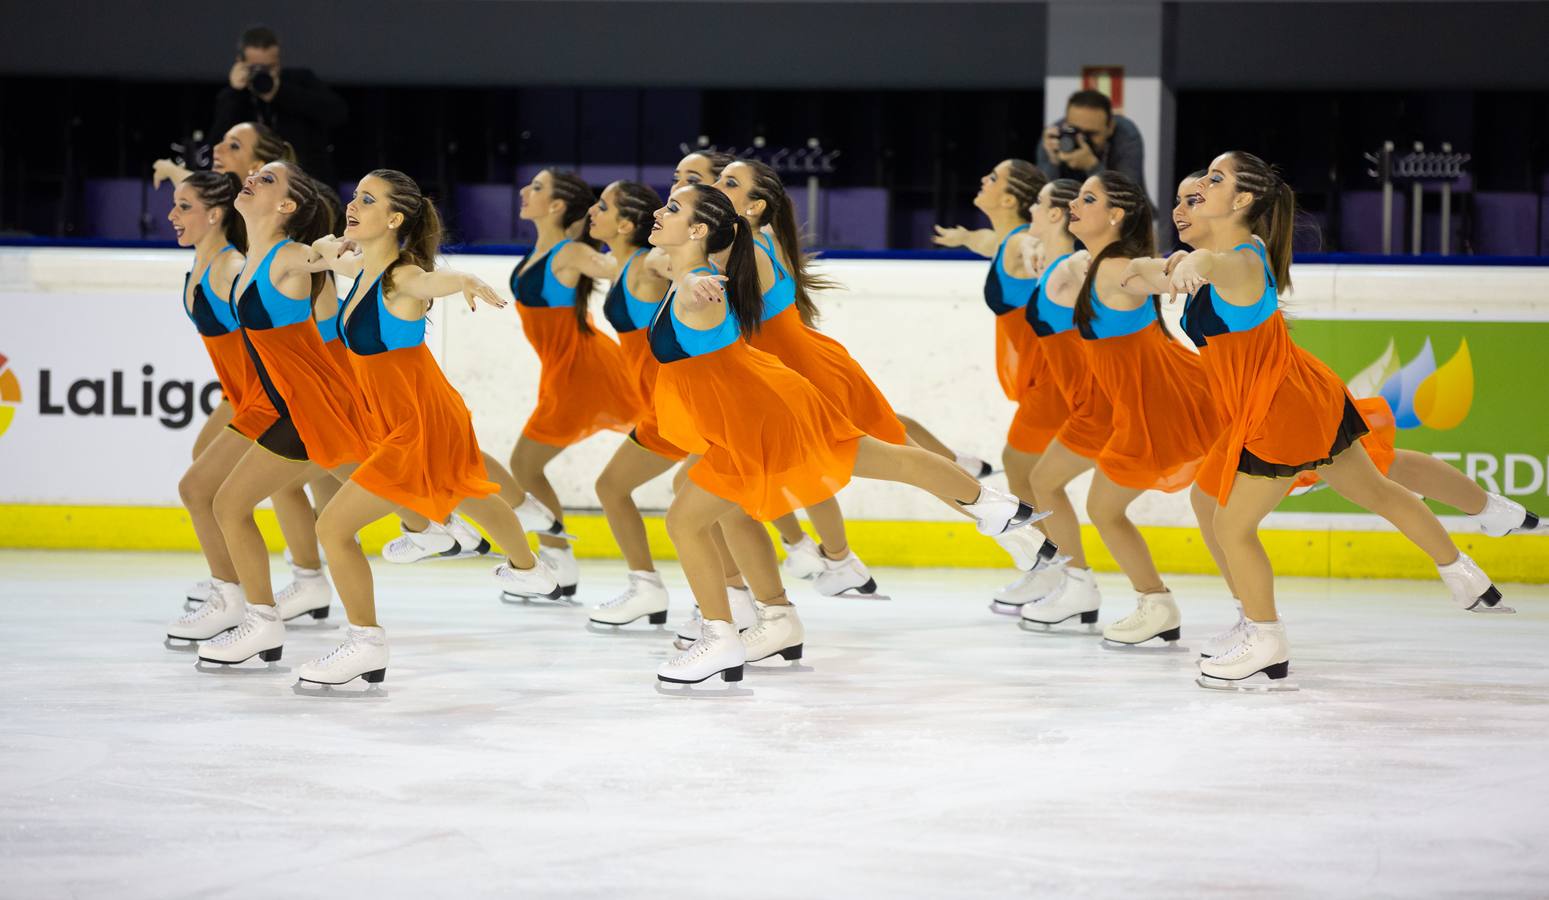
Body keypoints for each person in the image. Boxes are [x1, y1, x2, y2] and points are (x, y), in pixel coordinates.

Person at [647, 183, 1051, 686]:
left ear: (700, 230)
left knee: (687, 521)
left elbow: (700, 286)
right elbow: (684, 273)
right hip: (764, 410)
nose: (659, 212)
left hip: (759, 421)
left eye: (672, 208)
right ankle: (993, 505)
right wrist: (680, 275)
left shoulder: (700, 282)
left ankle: (721, 638)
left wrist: (690, 284)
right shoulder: (691, 271)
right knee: (880, 457)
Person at [1163, 151, 1509, 690]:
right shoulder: (1219, 253)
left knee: (1233, 525)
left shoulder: (1243, 259)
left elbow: (1216, 269)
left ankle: (1266, 640)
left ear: (1243, 199)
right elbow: (1154, 271)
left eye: (1214, 179)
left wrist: (1195, 264)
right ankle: (1463, 573)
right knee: (1372, 488)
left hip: (1279, 406)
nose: (1200, 188)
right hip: (1294, 392)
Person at [294, 169, 559, 686]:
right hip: (417, 415)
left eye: (367, 200)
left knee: (331, 526)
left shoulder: (400, 277)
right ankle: (530, 569)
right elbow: (328, 253)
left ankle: (366, 643)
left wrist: (462, 281)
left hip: (415, 423)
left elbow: (429, 281)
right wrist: (330, 246)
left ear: (394, 218)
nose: (353, 205)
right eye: (354, 195)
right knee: (472, 492)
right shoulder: (365, 270)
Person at [930, 159, 1068, 614]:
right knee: (1030, 470)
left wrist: (1049, 247)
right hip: (1038, 375)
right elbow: (986, 240)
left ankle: (1053, 570)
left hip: (1053, 375)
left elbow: (1044, 254)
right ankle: (1053, 568)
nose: (982, 180)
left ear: (1009, 199)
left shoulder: (1025, 245)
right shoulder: (1004, 241)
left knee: (1024, 466)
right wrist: (963, 238)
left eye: (992, 178)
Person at [211, 25, 346, 184]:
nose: (263, 73)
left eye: (269, 67)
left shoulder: (300, 81)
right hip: (251, 185)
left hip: (308, 182)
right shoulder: (233, 96)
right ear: (240, 63)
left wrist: (280, 92)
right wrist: (236, 93)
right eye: (255, 68)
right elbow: (217, 141)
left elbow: (339, 114)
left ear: (278, 61)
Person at [1036, 90, 1145, 195]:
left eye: (1091, 134)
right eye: (1076, 131)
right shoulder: (1054, 137)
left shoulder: (1126, 135)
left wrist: (1092, 166)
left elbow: (1127, 197)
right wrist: (1053, 164)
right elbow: (1044, 201)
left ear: (1110, 128)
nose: (1082, 140)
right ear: (1065, 123)